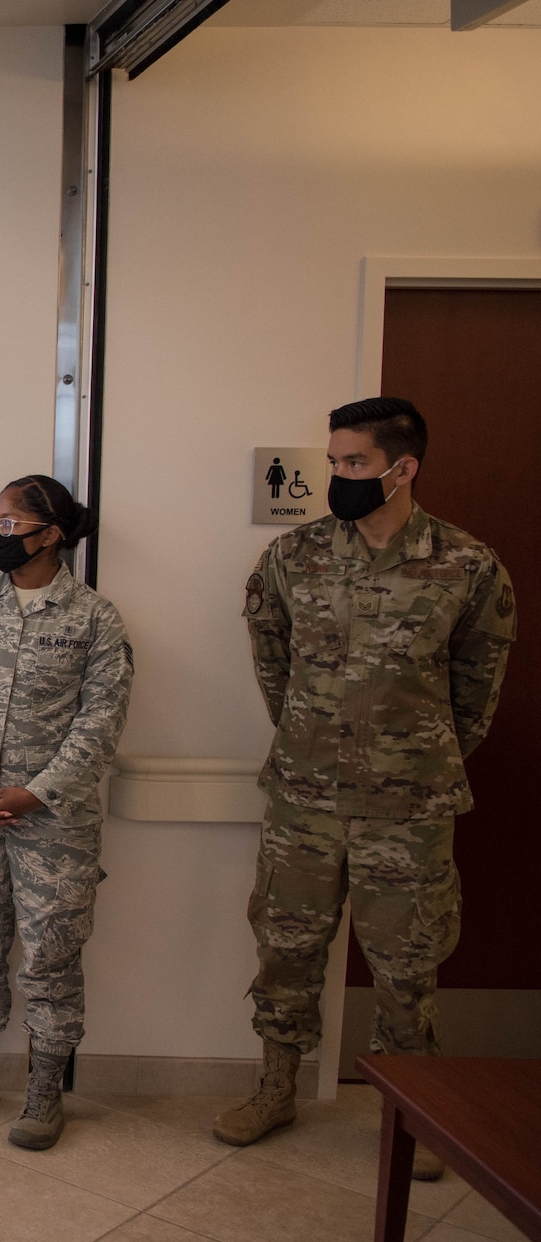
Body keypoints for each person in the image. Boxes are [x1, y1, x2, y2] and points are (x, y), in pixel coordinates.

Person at [218, 398, 515, 1173]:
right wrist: (312, 736)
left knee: (407, 965)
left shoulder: (466, 564)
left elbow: (478, 688)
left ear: (402, 467)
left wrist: (415, 753)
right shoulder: (296, 556)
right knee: (285, 948)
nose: (339, 476)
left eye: (353, 463)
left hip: (408, 808)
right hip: (304, 800)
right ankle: (276, 1088)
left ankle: (412, 1116)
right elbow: (272, 655)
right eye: (336, 461)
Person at [0, 476, 133, 1150]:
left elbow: (100, 725)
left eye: (12, 523)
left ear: (52, 533)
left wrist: (34, 793)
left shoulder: (95, 618)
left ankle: (43, 1093)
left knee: (51, 958)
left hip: (53, 825)